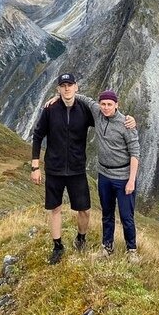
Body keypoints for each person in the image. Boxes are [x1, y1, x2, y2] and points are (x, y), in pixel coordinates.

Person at [45, 88, 141, 263]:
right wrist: (57, 97)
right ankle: (107, 247)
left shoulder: (126, 124)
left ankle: (132, 250)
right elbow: (79, 96)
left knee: (126, 216)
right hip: (104, 175)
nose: (105, 107)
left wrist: (131, 180)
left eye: (109, 104)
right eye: (103, 104)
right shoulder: (96, 112)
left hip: (123, 176)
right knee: (107, 213)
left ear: (116, 105)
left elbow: (135, 153)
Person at [31, 73, 95, 265]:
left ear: (76, 87)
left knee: (84, 210)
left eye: (70, 85)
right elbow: (37, 135)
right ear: (58, 89)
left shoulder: (84, 109)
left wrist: (128, 120)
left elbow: (105, 117)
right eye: (63, 85)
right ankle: (57, 246)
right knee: (56, 209)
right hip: (54, 169)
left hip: (77, 169)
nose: (67, 88)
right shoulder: (50, 110)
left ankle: (80, 239)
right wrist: (35, 166)